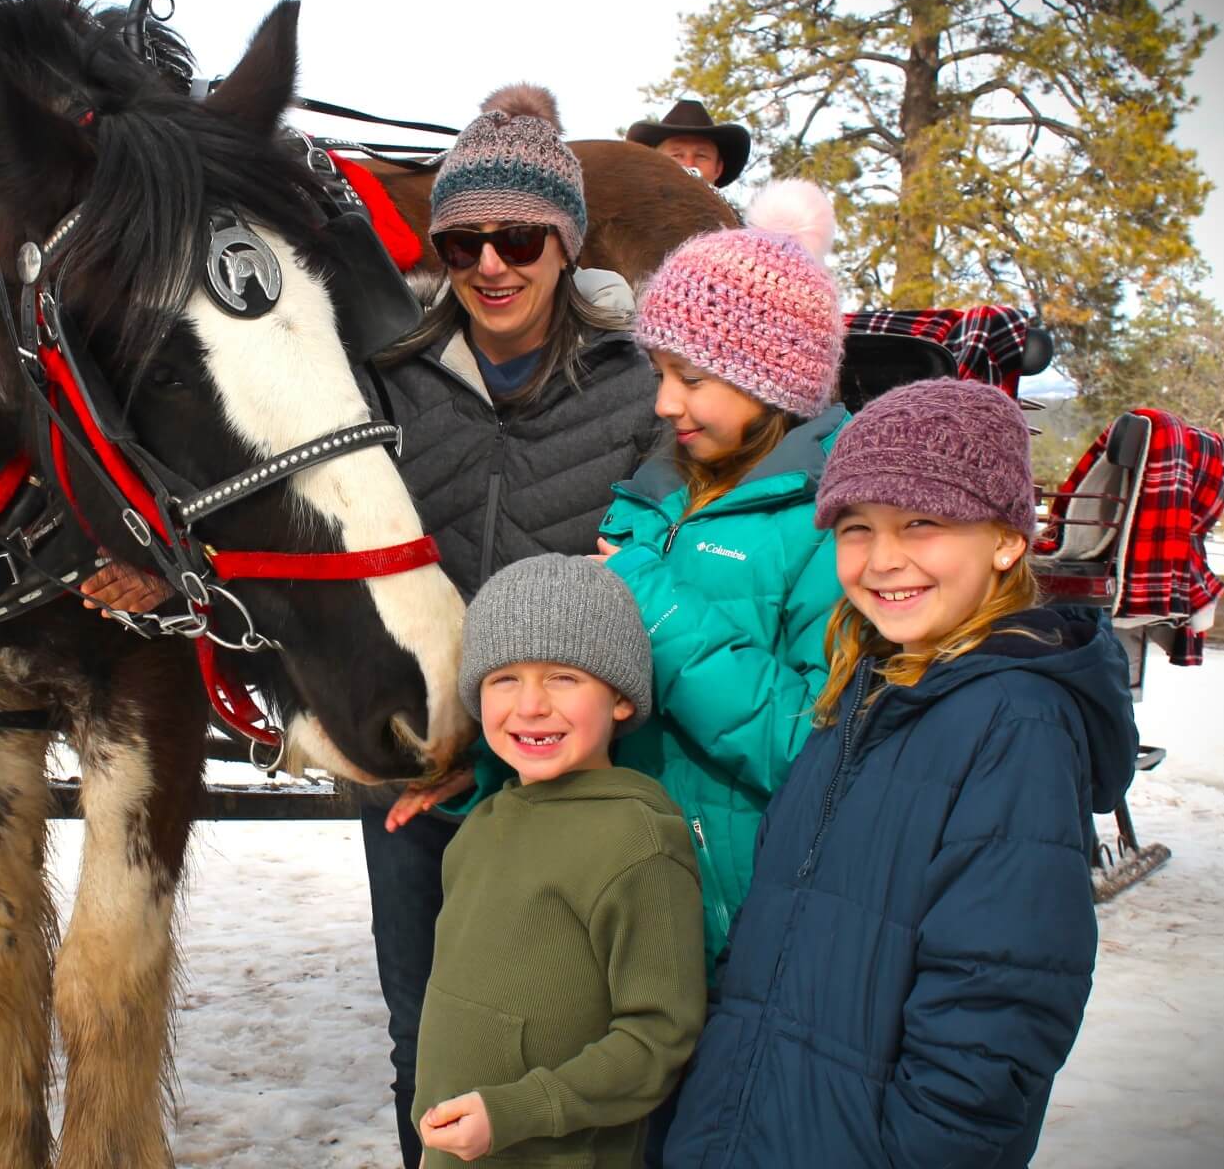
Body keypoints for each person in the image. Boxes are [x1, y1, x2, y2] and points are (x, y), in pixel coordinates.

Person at [662, 377, 1136, 1168]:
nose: (883, 560)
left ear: (1006, 539)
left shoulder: (1011, 722)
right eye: (856, 527)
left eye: (922, 523)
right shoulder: (866, 691)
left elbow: (996, 1015)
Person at [366, 84, 662, 1168]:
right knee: (426, 1029)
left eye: (520, 235)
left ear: (566, 241)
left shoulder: (633, 390)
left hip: (561, 773)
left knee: (563, 1036)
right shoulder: (388, 382)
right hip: (419, 762)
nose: (491, 262)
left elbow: (650, 580)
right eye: (463, 239)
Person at [593, 179, 847, 986]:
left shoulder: (832, 529)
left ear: (770, 379)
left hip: (738, 929)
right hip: (625, 902)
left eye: (691, 377)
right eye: (660, 372)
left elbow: (810, 745)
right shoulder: (653, 493)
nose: (664, 401)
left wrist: (653, 604)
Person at [412, 554, 704, 1168]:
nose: (531, 705)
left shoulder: (637, 840)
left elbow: (658, 1039)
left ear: (621, 697)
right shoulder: (480, 829)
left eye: (564, 677)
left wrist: (519, 1110)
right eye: (504, 679)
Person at [626, 100, 750, 188]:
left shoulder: (734, 223)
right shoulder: (620, 220)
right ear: (653, 164)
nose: (690, 166)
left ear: (718, 168)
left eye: (701, 156)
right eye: (677, 155)